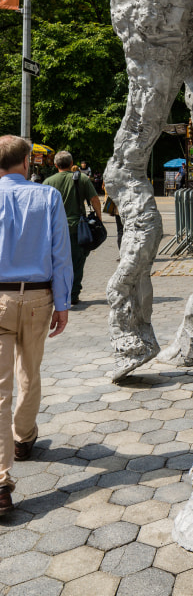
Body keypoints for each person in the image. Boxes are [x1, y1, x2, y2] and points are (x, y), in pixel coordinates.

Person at [0, 135, 72, 514]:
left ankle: (0, 481)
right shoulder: (47, 197)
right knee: (29, 369)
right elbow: (61, 252)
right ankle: (23, 437)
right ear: (27, 162)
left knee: (0, 389)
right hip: (39, 297)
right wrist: (63, 303)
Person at [44, 151, 102, 306]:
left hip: (54, 229)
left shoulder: (48, 182)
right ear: (71, 163)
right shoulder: (81, 178)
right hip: (78, 228)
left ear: (56, 165)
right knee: (77, 261)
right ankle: (73, 294)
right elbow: (95, 199)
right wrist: (99, 218)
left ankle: (56, 293)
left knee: (56, 262)